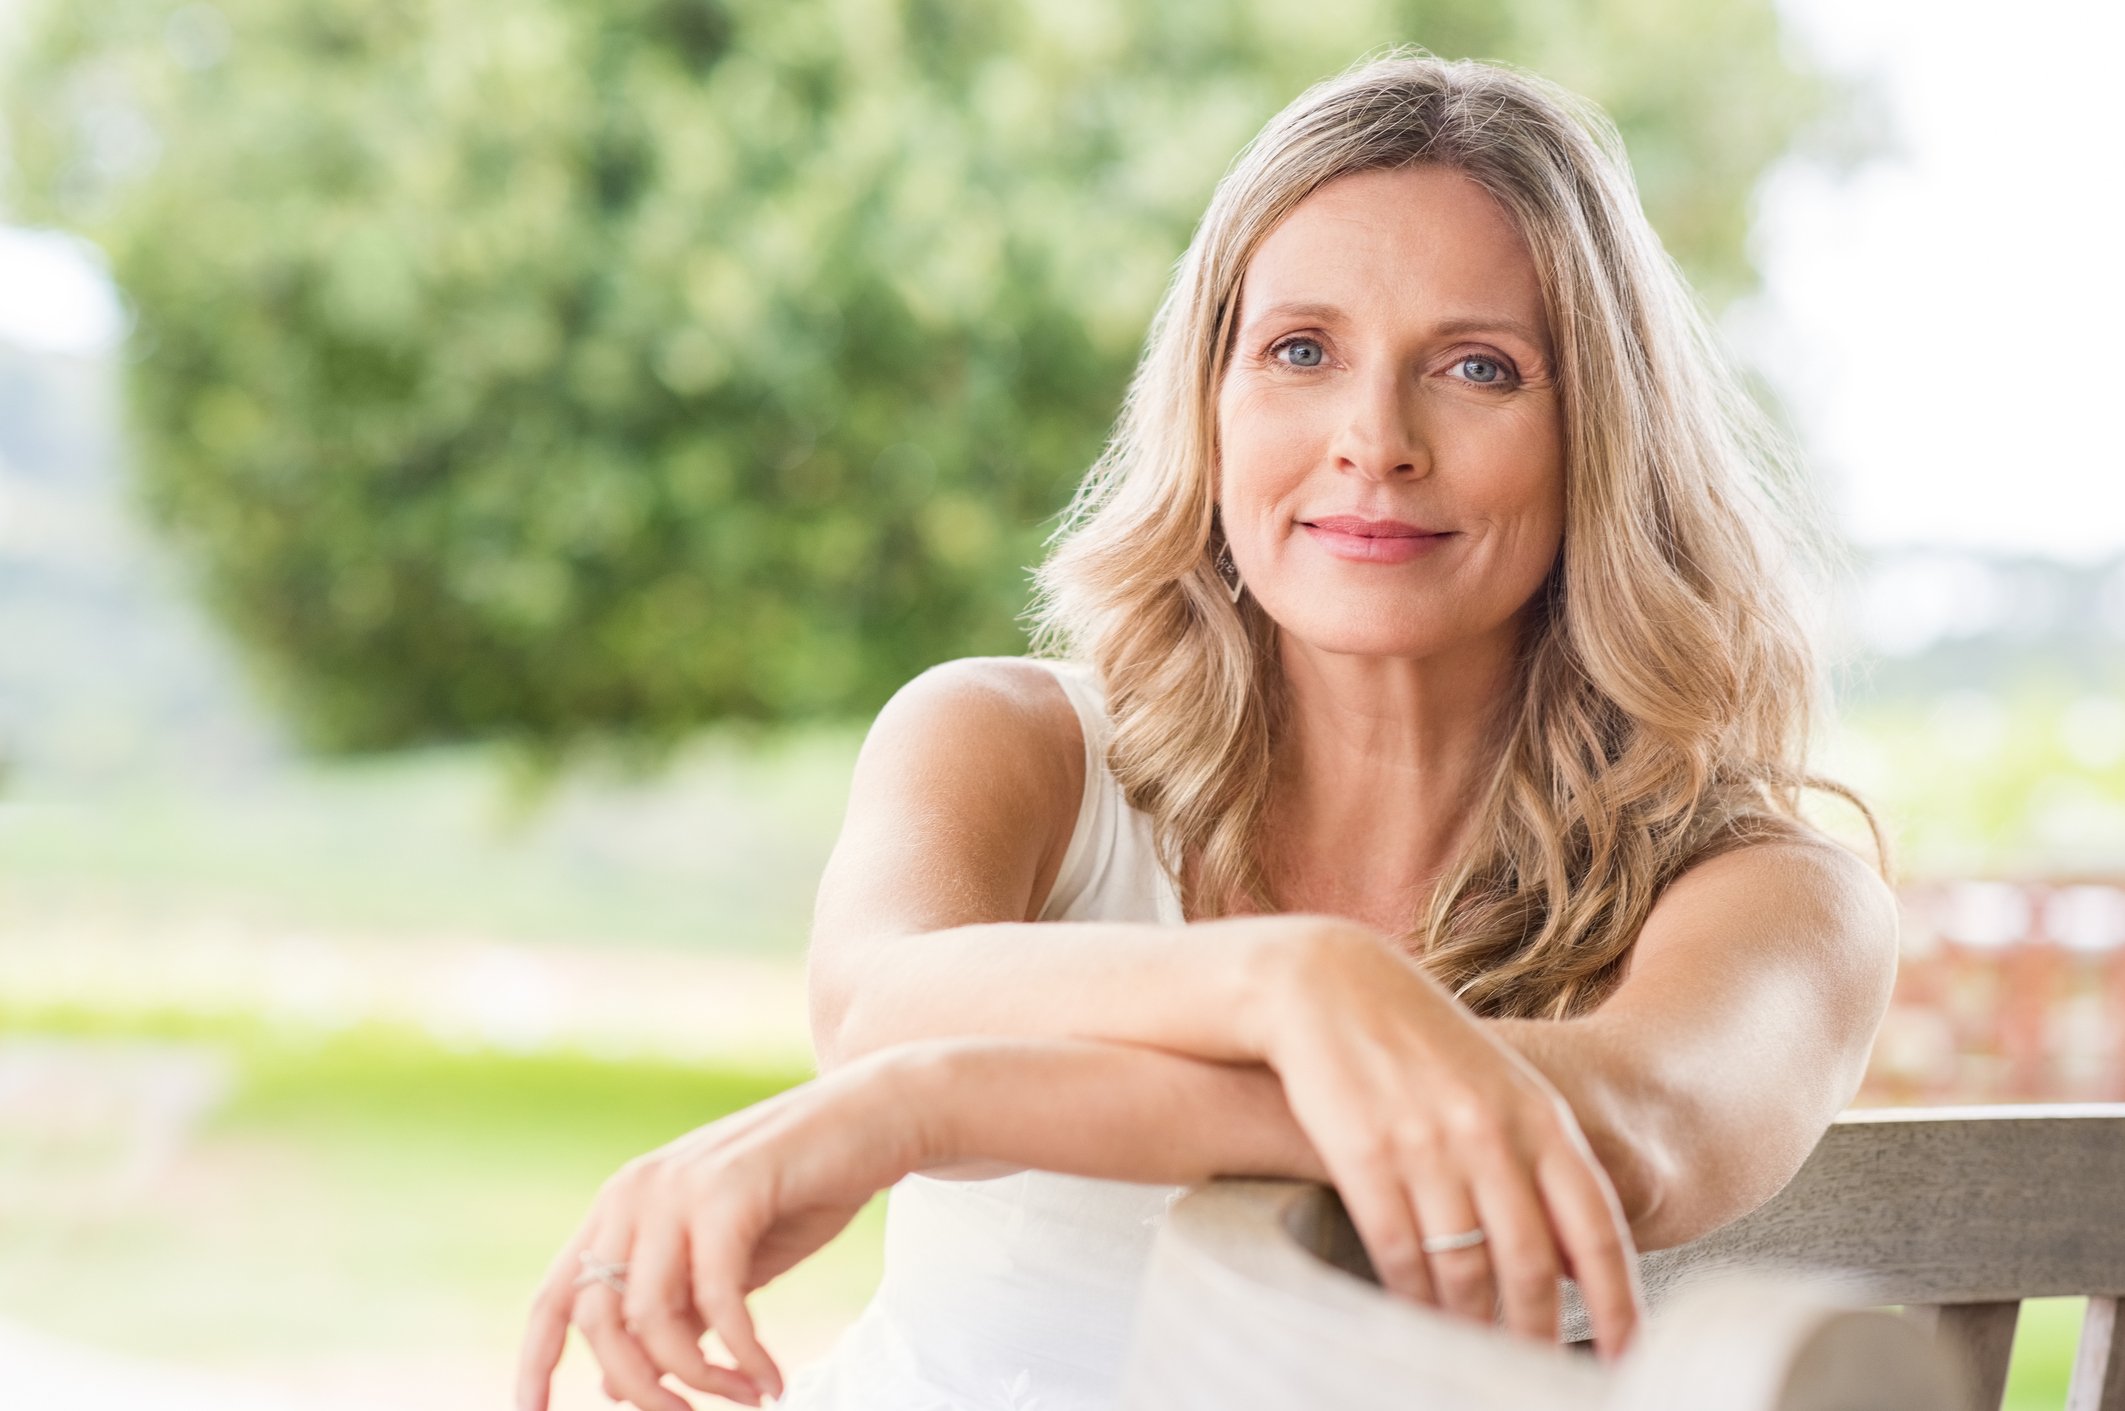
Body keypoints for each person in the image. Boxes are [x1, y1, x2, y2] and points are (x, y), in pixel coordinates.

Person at [516, 47, 1899, 1411]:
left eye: (1477, 369)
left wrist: (932, 1107)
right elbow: (878, 1005)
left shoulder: (1775, 891)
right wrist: (1287, 986)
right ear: (1210, 403)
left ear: (1602, 435)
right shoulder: (1007, 743)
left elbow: (1629, 1131)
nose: (1373, 438)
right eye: (1298, 350)